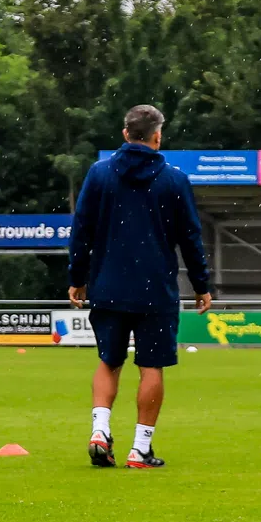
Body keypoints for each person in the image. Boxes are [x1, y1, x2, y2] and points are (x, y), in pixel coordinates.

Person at [68, 104, 212, 469]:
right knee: (151, 367)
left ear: (125, 133)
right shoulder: (174, 180)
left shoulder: (99, 173)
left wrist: (77, 278)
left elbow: (81, 230)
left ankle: (100, 431)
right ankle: (140, 449)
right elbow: (191, 238)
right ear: (157, 137)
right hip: (155, 289)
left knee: (109, 362)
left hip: (108, 285)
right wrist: (201, 284)